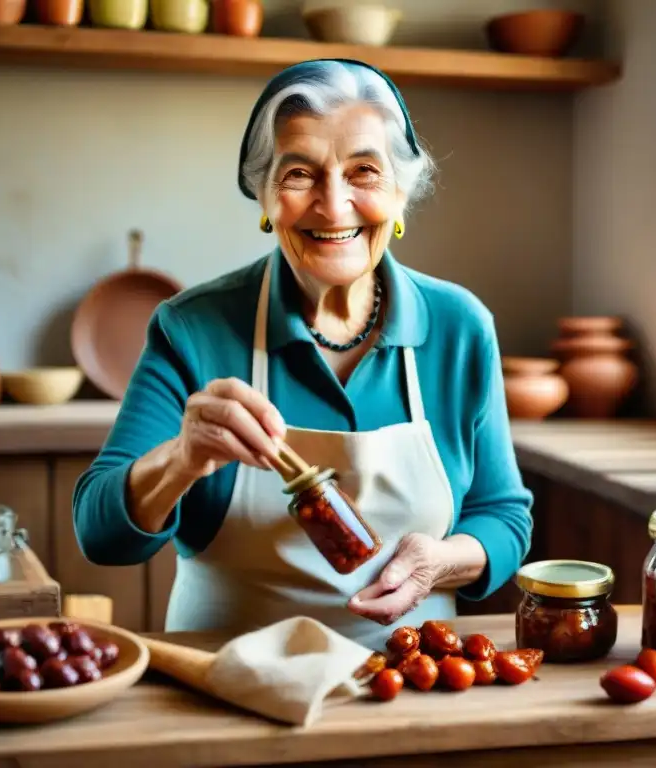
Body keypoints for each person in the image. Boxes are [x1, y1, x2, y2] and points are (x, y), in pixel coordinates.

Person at [72, 58, 534, 649]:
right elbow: (100, 536)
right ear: (264, 197)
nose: (334, 205)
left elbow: (503, 516)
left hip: (412, 681)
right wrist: (183, 458)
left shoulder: (459, 326)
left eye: (364, 172)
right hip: (229, 683)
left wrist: (441, 562)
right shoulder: (193, 329)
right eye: (298, 175)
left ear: (400, 194)